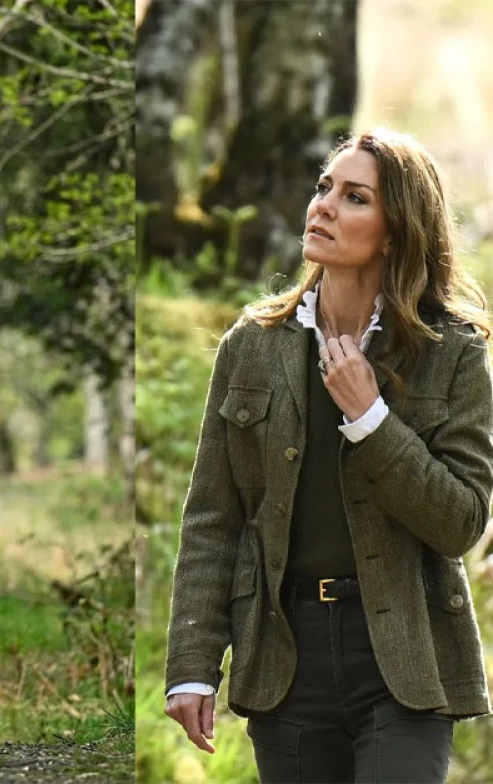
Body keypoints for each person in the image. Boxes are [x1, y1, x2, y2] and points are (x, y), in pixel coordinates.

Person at [164, 129, 492, 783]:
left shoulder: (453, 350)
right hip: (286, 660)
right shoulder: (252, 345)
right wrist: (193, 667)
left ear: (397, 230)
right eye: (323, 188)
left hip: (405, 657)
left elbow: (462, 520)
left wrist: (370, 418)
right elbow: (213, 520)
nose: (324, 207)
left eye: (354, 197)